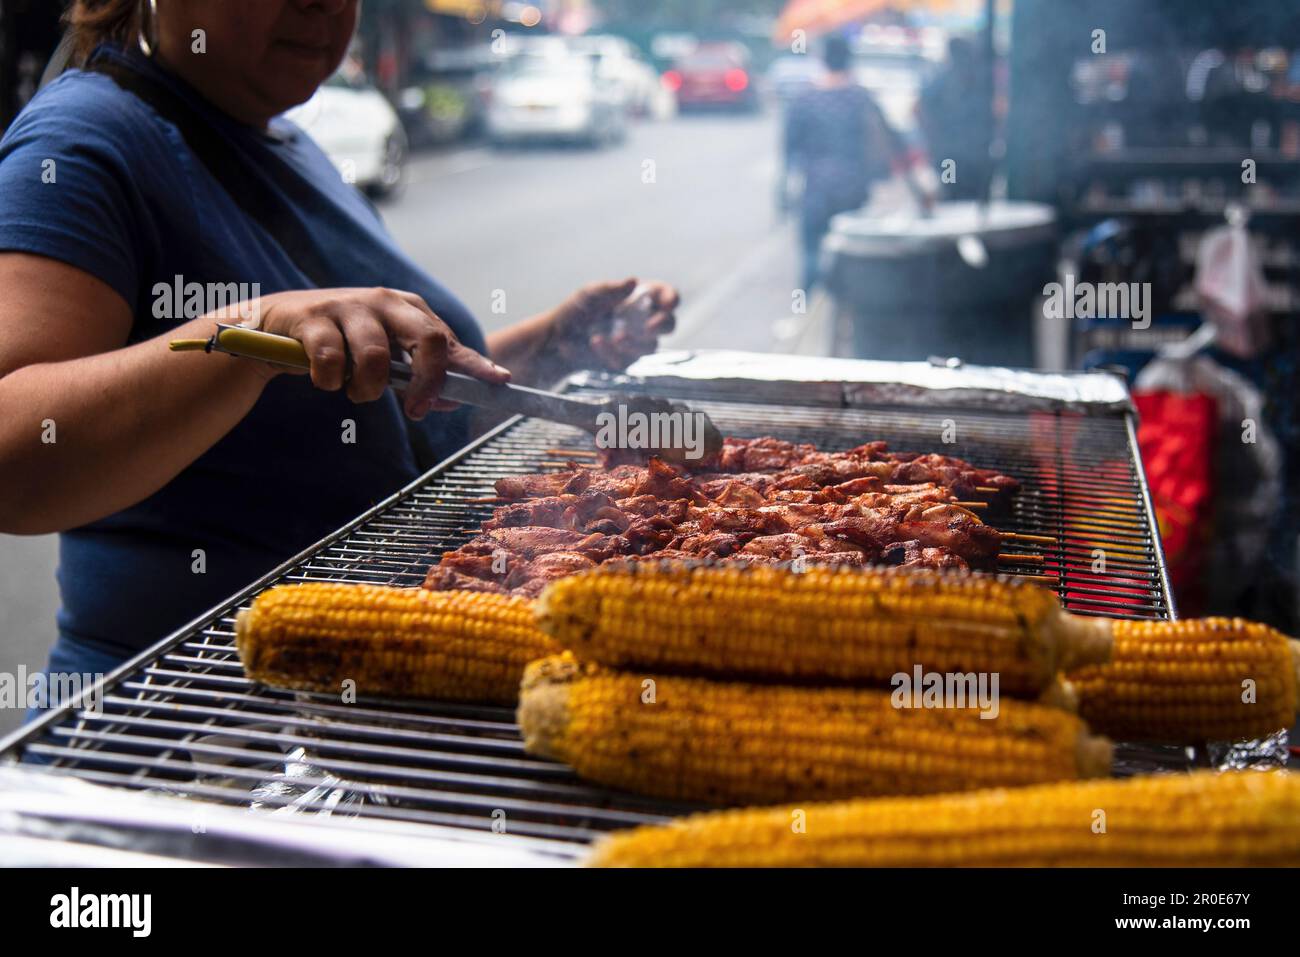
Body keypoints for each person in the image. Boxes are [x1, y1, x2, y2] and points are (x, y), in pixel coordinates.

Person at [0, 0, 679, 715]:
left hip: (355, 687)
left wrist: (550, 345)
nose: (321, 6)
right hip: (186, 725)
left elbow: (388, 389)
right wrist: (248, 332)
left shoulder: (289, 139)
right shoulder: (80, 142)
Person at [782, 33, 910, 291]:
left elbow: (789, 149)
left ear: (822, 60)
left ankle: (806, 310)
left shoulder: (804, 99)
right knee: (851, 254)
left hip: (816, 189)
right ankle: (845, 311)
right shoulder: (860, 97)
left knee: (811, 254)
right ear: (848, 61)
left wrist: (784, 193)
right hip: (853, 186)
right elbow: (891, 138)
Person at [917, 36, 992, 201]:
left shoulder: (975, 82)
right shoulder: (944, 82)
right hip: (953, 157)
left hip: (961, 156)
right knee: (953, 194)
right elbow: (919, 110)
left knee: (961, 195)